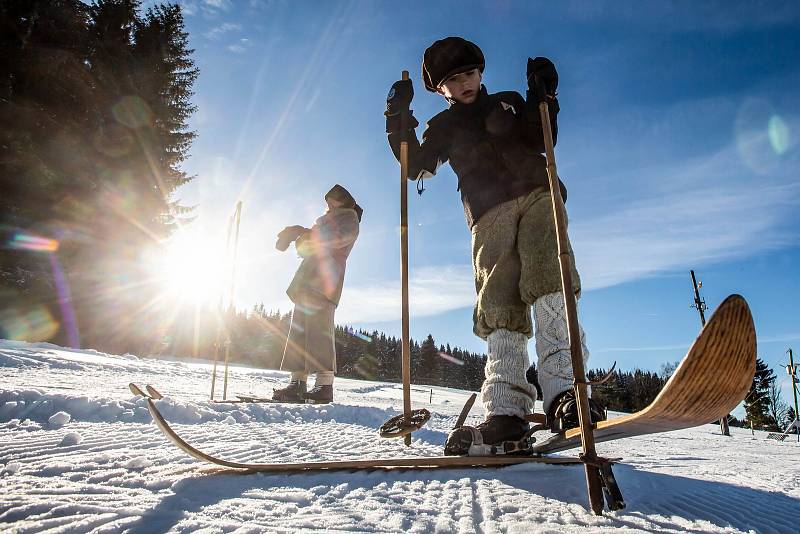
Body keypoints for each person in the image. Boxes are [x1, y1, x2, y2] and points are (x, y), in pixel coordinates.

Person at [384, 37, 604, 454]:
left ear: (481, 73)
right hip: (487, 212)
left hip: (539, 192)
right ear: (439, 89)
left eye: (469, 73)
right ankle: (506, 408)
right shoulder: (442, 128)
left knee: (549, 277)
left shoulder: (506, 102)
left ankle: (566, 392)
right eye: (452, 79)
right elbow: (416, 165)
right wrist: (397, 119)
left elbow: (542, 136)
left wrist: (545, 96)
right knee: (499, 300)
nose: (464, 83)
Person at [272, 184, 362, 404]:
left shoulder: (349, 219)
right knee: (298, 334)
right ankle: (297, 382)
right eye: (328, 202)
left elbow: (335, 240)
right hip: (305, 283)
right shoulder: (321, 224)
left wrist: (302, 232)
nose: (329, 205)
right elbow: (306, 250)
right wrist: (298, 236)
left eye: (334, 201)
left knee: (320, 333)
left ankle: (324, 384)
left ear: (344, 202)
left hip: (325, 284)